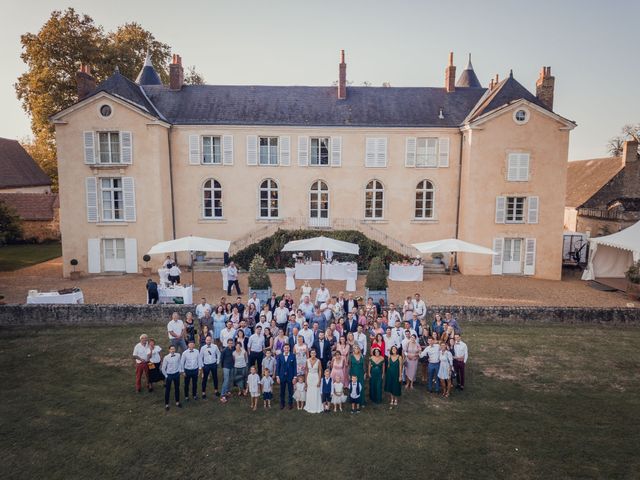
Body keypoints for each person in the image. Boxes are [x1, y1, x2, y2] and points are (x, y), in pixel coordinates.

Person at [276, 344, 297, 409]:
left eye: (288, 348)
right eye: (285, 348)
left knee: (290, 391)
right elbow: (278, 367)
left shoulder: (293, 356)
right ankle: (282, 404)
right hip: (282, 376)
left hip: (290, 376)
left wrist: (294, 377)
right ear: (283, 349)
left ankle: (290, 404)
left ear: (289, 349)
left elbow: (295, 367)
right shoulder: (280, 356)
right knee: (282, 391)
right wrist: (277, 376)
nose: (286, 349)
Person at [161, 345, 182, 410]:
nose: (172, 350)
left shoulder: (178, 355)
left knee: (177, 389)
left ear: (175, 349)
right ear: (169, 350)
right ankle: (167, 404)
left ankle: (177, 402)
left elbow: (180, 363)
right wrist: (166, 376)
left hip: (176, 374)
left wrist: (179, 371)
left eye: (173, 349)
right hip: (169, 375)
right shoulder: (166, 357)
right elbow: (163, 368)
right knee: (168, 390)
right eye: (171, 349)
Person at [303, 348, 323, 413]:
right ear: (310, 354)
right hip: (309, 377)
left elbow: (320, 371)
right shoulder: (307, 361)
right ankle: (309, 405)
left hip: (316, 377)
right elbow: (306, 371)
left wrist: (319, 380)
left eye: (314, 353)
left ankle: (316, 406)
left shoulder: (318, 361)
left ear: (316, 354)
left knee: (316, 391)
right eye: (312, 353)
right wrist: (305, 381)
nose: (313, 354)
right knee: (309, 391)